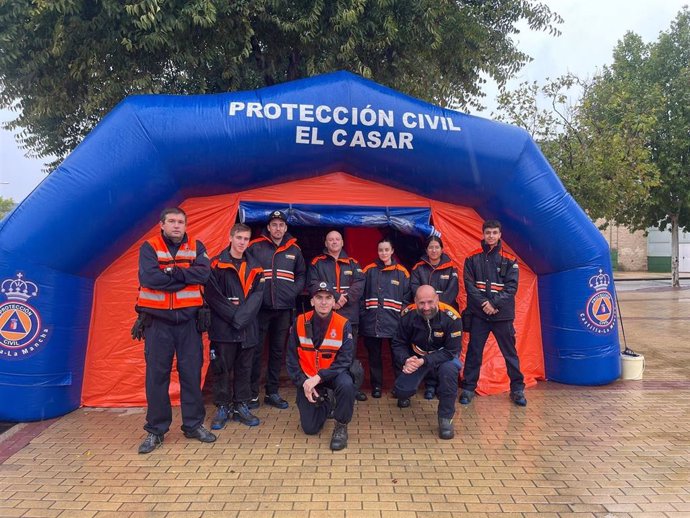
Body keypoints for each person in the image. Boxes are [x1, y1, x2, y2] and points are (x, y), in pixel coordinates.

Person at [135, 207, 216, 454]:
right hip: (157, 323)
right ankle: (156, 430)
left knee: (191, 375)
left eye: (181, 221)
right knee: (156, 378)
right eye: (172, 221)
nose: (177, 225)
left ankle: (193, 425)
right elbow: (150, 279)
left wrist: (173, 272)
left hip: (189, 324)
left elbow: (204, 274)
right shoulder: (149, 247)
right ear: (162, 224)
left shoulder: (197, 245)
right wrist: (184, 278)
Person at [205, 223, 265, 429]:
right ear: (230, 238)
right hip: (223, 330)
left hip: (247, 330)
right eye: (239, 238)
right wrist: (235, 317)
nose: (242, 242)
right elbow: (213, 296)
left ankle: (241, 405)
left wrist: (241, 319)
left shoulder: (256, 267)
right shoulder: (216, 264)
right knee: (221, 369)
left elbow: (257, 297)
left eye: (246, 239)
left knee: (244, 370)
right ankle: (223, 407)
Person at [460, 219, 526, 407]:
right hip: (480, 315)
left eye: (494, 233)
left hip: (502, 315)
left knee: (510, 354)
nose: (491, 236)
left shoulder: (510, 259)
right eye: (488, 232)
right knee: (474, 352)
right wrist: (484, 304)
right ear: (483, 234)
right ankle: (468, 389)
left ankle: (517, 389)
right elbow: (469, 286)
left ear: (500, 235)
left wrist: (493, 304)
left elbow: (511, 288)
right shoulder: (472, 258)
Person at [246, 210, 306, 410]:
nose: (278, 228)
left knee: (277, 352)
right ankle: (252, 394)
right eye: (274, 225)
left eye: (281, 225)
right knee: (255, 351)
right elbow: (245, 273)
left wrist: (293, 292)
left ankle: (272, 392)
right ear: (269, 227)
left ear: (286, 228)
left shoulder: (295, 250)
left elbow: (301, 275)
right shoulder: (254, 246)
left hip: (284, 309)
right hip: (260, 309)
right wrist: (255, 296)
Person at [286, 281, 356, 450]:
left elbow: (345, 360)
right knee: (310, 429)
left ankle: (341, 426)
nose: (323, 302)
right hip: (308, 378)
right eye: (319, 297)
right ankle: (326, 402)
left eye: (328, 298)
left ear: (334, 302)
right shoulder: (299, 322)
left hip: (331, 375)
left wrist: (319, 377)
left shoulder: (343, 324)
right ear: (312, 301)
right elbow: (291, 359)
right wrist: (303, 382)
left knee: (347, 384)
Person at [391, 285, 463, 439]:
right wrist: (406, 360)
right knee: (401, 390)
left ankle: (445, 418)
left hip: (443, 358)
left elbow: (451, 351)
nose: (426, 307)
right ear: (415, 301)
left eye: (430, 302)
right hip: (416, 357)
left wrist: (425, 361)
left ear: (437, 299)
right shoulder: (407, 315)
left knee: (449, 372)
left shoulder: (452, 317)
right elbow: (398, 343)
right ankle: (405, 394)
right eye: (422, 303)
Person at [307, 230, 366, 401]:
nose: (334, 242)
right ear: (325, 243)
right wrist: (336, 297)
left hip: (349, 317)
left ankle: (350, 389)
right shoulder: (317, 262)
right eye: (330, 239)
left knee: (349, 354)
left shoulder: (353, 263)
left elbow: (360, 284)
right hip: (325, 316)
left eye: (337, 239)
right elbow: (312, 284)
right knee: (327, 354)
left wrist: (344, 300)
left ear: (342, 242)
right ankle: (328, 389)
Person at [360, 238, 411, 398]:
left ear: (392, 251)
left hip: (394, 323)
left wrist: (402, 316)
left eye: (386, 250)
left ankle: (399, 387)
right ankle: (376, 387)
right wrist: (363, 313)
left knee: (398, 357)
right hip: (371, 322)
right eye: (381, 250)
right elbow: (360, 296)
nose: (383, 253)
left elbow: (407, 298)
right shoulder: (368, 270)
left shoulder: (402, 272)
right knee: (374, 357)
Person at [410, 236, 459, 400]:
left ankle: (442, 385)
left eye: (436, 247)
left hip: (444, 315)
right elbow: (415, 290)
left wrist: (437, 308)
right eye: (430, 247)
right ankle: (430, 385)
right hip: (424, 314)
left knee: (444, 350)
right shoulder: (418, 268)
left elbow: (452, 291)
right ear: (426, 250)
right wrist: (428, 308)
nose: (433, 250)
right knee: (428, 347)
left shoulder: (451, 268)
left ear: (441, 249)